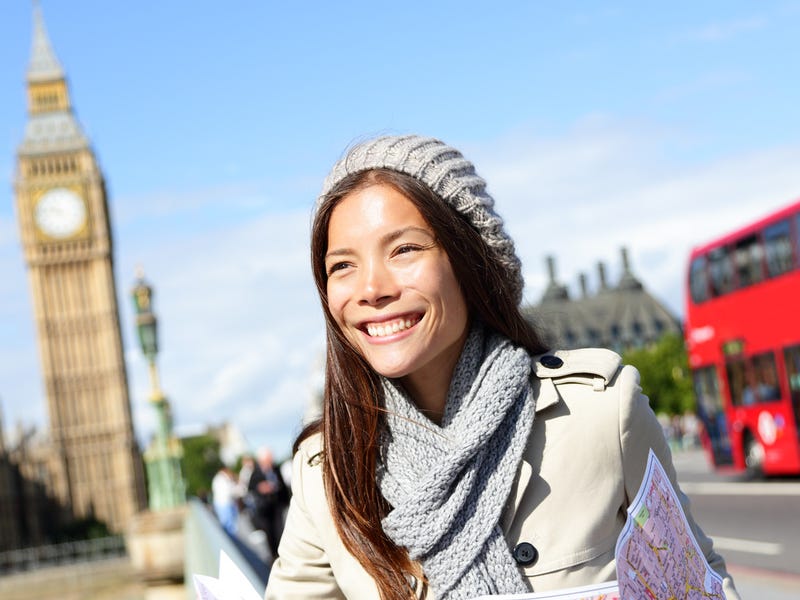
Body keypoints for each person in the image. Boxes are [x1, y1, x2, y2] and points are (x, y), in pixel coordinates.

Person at [265, 135, 740, 599]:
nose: (371, 287)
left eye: (404, 250)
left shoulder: (598, 411)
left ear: (471, 260)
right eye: (342, 265)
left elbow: (694, 584)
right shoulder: (326, 471)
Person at [248, 446, 290, 560]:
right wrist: (261, 488)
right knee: (269, 533)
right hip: (264, 509)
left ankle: (281, 554)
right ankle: (273, 556)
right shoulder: (256, 472)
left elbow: (282, 485)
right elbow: (251, 488)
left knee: (279, 530)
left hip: (277, 505)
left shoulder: (276, 469)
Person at [211, 466, 239, 536]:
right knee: (228, 524)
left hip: (224, 503)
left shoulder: (219, 478)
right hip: (224, 504)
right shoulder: (222, 479)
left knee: (228, 524)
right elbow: (229, 491)